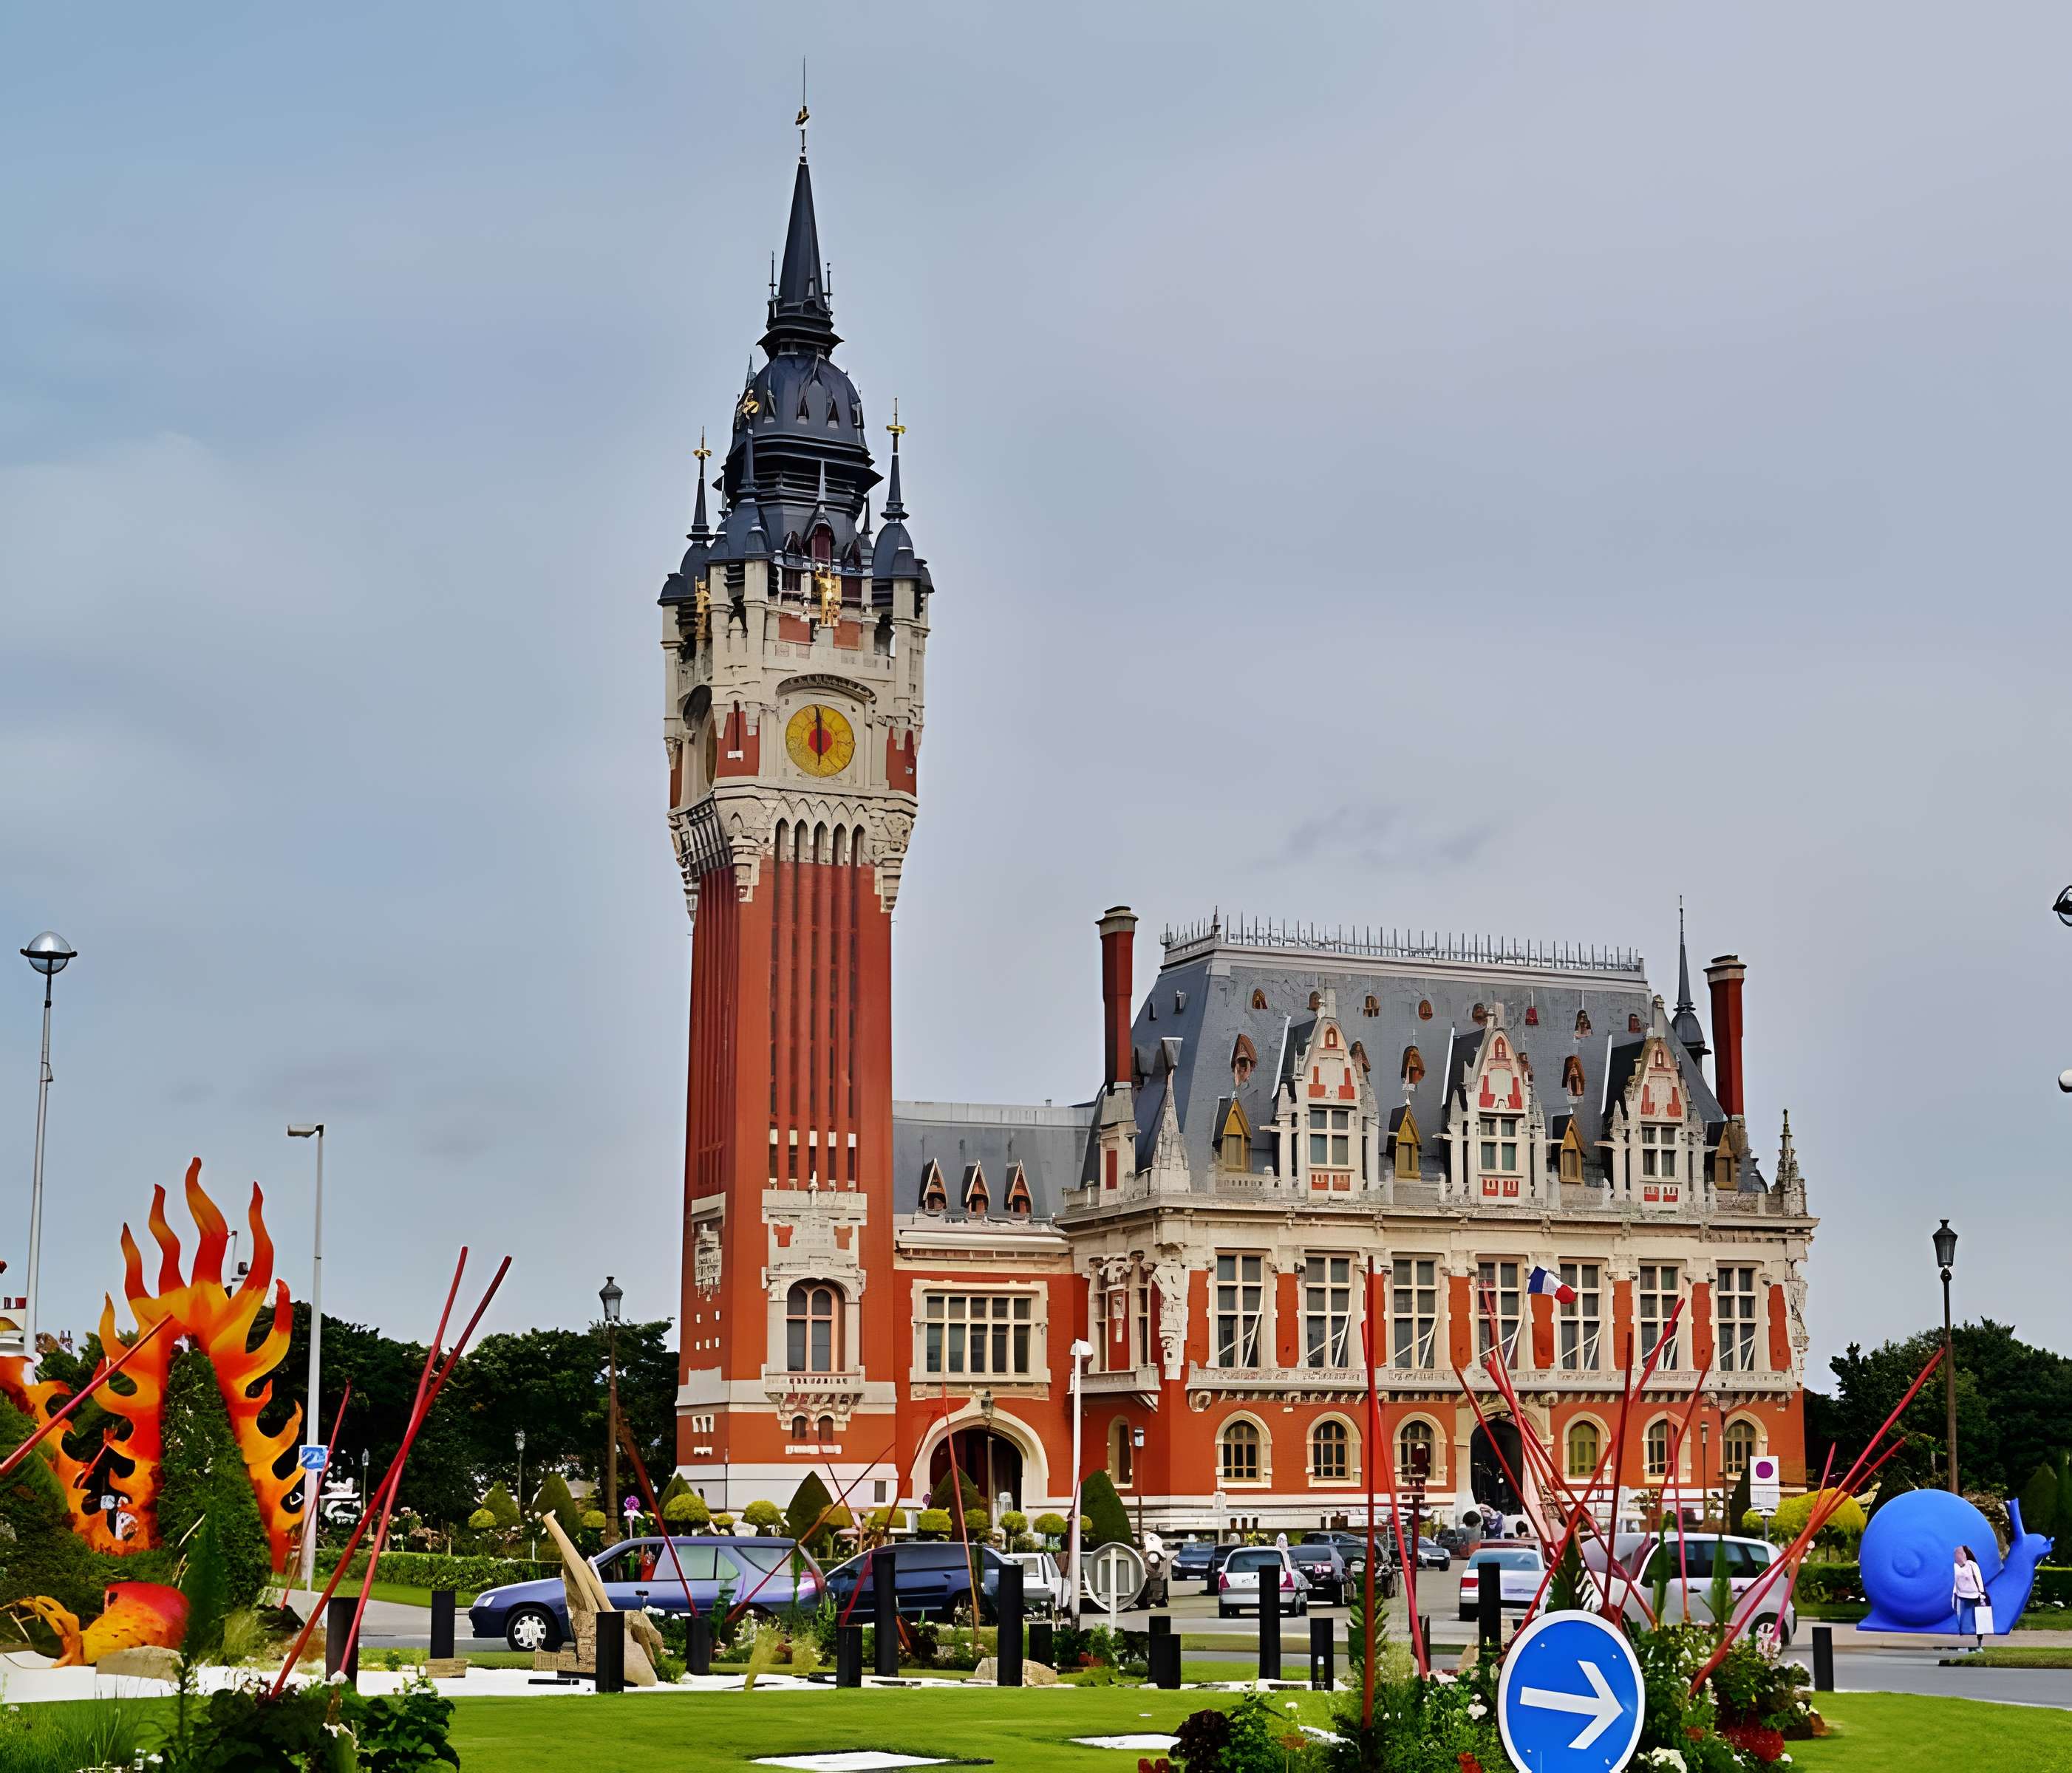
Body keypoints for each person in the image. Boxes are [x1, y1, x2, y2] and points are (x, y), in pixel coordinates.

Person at [1953, 1545, 1988, 1644]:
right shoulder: (1955, 1567)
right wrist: (1954, 1594)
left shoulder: (1972, 1565)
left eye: (1960, 1554)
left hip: (1975, 1596)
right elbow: (1955, 1582)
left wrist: (1982, 1594)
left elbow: (1979, 1579)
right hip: (1962, 1596)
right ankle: (1964, 1639)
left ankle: (1979, 1642)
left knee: (1978, 1618)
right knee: (1962, 1619)